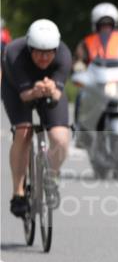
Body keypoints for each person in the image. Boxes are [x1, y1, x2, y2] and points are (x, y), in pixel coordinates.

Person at [1, 19, 72, 217]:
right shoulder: (14, 53)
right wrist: (35, 91)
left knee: (61, 139)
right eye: (39, 52)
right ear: (29, 48)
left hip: (48, 89)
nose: (44, 57)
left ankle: (51, 178)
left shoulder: (64, 55)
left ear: (56, 50)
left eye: (49, 52)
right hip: (16, 90)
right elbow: (25, 96)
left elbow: (57, 95)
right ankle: (18, 193)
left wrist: (51, 89)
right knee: (23, 132)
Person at [73, 2, 118, 140]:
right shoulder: (87, 42)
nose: (106, 28)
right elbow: (78, 59)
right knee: (81, 94)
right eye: (102, 25)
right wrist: (79, 65)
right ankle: (79, 128)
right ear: (96, 25)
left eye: (109, 24)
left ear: (114, 25)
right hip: (97, 81)